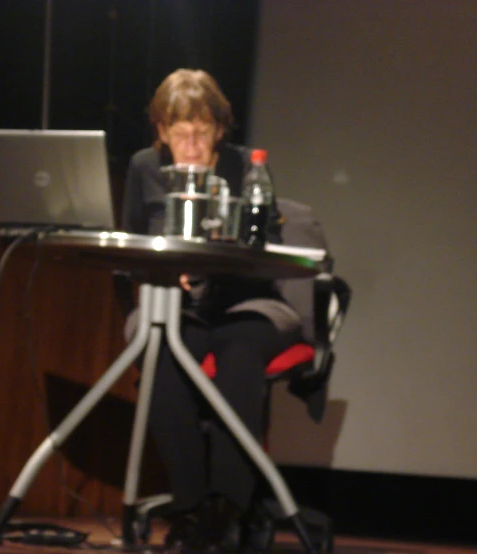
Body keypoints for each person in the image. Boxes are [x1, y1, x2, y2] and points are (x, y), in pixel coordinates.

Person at [121, 69, 303, 551]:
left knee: (239, 356)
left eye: (202, 133)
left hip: (249, 303)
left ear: (221, 129)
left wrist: (225, 257)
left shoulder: (248, 168)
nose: (192, 145)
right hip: (179, 307)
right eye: (180, 134)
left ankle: (227, 510)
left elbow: (274, 252)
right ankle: (190, 510)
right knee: (161, 355)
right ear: (161, 132)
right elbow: (130, 252)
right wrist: (164, 274)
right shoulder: (143, 167)